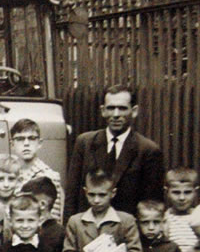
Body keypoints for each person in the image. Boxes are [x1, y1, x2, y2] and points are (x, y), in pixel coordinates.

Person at [65, 84, 164, 218]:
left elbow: (151, 203)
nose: (116, 114)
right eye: (111, 108)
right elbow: (72, 194)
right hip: (87, 231)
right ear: (103, 110)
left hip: (126, 232)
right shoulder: (85, 143)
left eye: (122, 108)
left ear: (134, 111)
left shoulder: (148, 150)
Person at [61, 170, 141, 252]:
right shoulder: (76, 221)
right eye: (91, 195)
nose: (96, 200)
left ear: (112, 193)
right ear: (85, 192)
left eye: (102, 195)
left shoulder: (126, 220)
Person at [10, 118, 64, 221]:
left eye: (31, 138)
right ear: (12, 144)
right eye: (20, 139)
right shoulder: (8, 173)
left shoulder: (49, 176)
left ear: (39, 143)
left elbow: (53, 219)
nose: (26, 143)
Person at [162, 167, 200, 252]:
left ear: (196, 192)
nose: (182, 198)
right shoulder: (163, 219)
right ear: (166, 192)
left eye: (187, 192)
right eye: (176, 192)